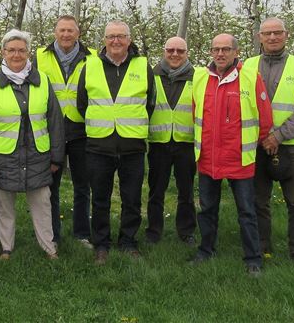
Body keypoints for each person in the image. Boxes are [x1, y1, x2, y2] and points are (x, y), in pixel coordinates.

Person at [0, 29, 65, 260]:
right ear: (3, 52)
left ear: (28, 53)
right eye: (11, 50)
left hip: (38, 155)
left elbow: (54, 120)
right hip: (4, 157)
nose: (16, 54)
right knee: (4, 206)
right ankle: (6, 247)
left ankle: (49, 247)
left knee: (42, 203)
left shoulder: (42, 80)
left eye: (21, 50)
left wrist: (57, 156)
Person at [190, 33, 273, 277]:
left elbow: (264, 116)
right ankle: (206, 250)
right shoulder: (200, 78)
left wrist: (263, 140)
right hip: (209, 158)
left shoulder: (250, 77)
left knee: (247, 211)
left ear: (236, 52)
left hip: (240, 159)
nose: (220, 54)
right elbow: (195, 114)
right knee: (207, 209)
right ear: (210, 52)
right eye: (216, 49)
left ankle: (253, 258)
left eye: (226, 49)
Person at [76, 20, 155, 265]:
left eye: (121, 36)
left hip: (132, 145)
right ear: (104, 40)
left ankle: (128, 242)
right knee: (100, 197)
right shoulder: (90, 66)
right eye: (111, 36)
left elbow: (150, 103)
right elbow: (82, 104)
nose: (116, 41)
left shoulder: (143, 66)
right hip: (99, 145)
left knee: (132, 198)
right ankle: (101, 244)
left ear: (129, 40)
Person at [245, 17, 294, 266]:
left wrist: (278, 135)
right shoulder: (248, 65)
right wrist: (262, 138)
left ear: (286, 35)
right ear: (259, 37)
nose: (273, 37)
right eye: (268, 33)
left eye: (278, 33)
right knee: (258, 200)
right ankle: (263, 247)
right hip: (257, 145)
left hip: (292, 145)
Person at [34, 15, 96, 246]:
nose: (66, 35)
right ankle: (52, 234)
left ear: (78, 33)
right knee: (51, 185)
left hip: (81, 129)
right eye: (62, 30)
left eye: (71, 30)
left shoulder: (93, 58)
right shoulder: (41, 56)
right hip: (52, 129)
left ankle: (82, 233)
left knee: (83, 184)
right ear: (55, 32)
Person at [146, 36, 196, 246]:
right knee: (156, 191)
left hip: (186, 143)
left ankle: (186, 231)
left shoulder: (198, 77)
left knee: (186, 191)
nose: (175, 54)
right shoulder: (152, 75)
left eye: (180, 51)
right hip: (159, 142)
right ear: (164, 51)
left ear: (187, 53)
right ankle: (153, 232)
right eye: (170, 50)